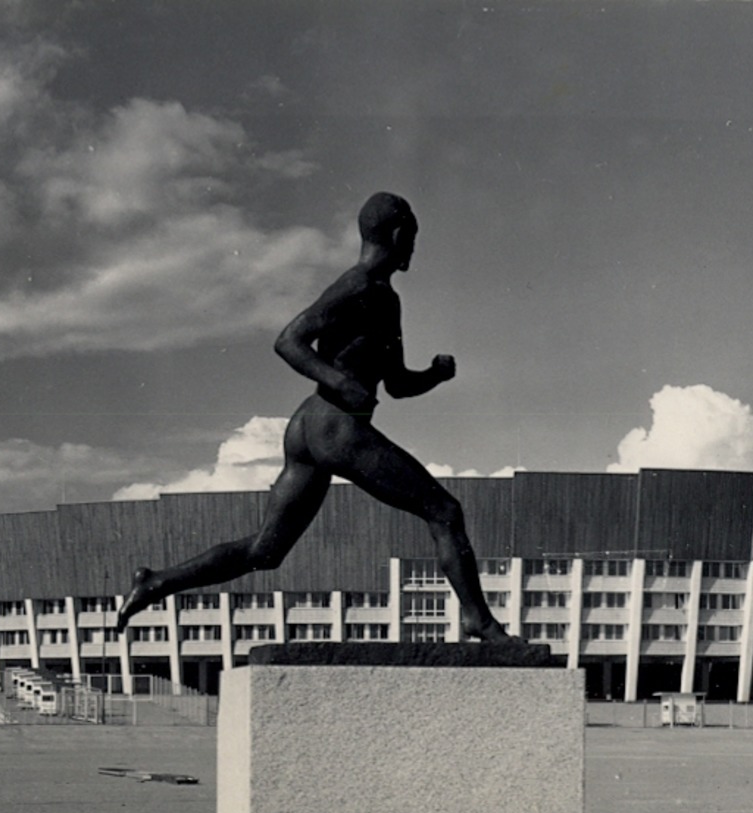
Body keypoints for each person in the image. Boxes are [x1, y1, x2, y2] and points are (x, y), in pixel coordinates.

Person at [114, 193, 519, 643]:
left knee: (265, 550)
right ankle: (478, 621)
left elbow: (399, 384)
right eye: (413, 239)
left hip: (308, 428)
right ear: (400, 234)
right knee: (444, 511)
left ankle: (155, 583)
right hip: (336, 426)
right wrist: (340, 383)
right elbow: (289, 339)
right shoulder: (360, 284)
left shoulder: (385, 298)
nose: (412, 251)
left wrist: (435, 375)